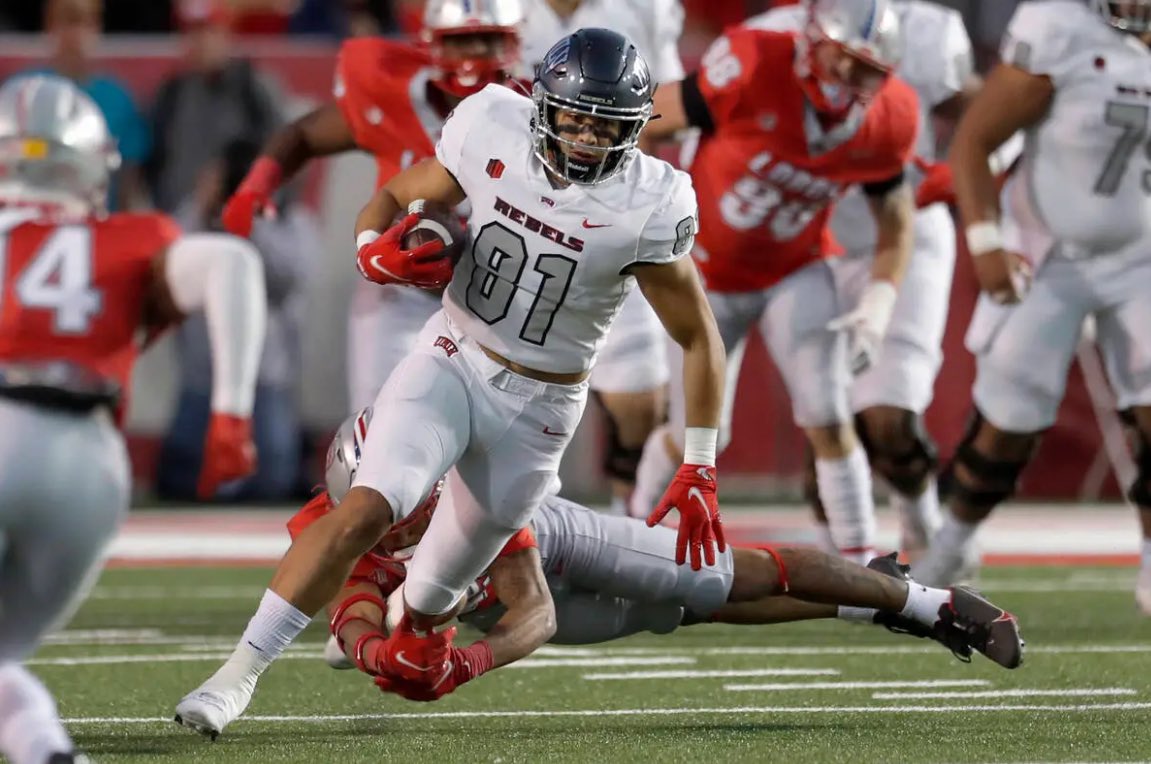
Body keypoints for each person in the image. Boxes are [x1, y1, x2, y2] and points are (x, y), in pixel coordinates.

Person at [175, 28, 727, 736]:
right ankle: (235, 679)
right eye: (575, 116)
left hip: (541, 410)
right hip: (454, 354)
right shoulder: (489, 124)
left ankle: (387, 627)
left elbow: (697, 336)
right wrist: (373, 253)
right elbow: (392, 197)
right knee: (368, 508)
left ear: (634, 127)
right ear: (542, 108)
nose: (588, 135)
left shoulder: (651, 200)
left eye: (606, 123)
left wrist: (701, 464)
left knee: (432, 602)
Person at [177, 406, 1022, 733]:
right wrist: (366, 649)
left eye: (402, 512)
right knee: (691, 612)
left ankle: (929, 598)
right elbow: (350, 606)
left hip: (554, 544)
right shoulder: (344, 526)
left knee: (720, 578)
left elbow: (532, 614)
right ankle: (864, 598)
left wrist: (467, 662)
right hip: (488, 602)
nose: (392, 530)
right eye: (378, 516)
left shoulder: (472, 500)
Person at [0, 75, 266, 764]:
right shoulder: (135, 235)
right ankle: (48, 752)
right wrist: (231, 415)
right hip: (89, 463)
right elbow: (232, 261)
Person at [632, 0, 918, 565]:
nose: (849, 81)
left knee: (828, 411)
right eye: (843, 60)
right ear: (814, 42)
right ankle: (635, 530)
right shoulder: (755, 64)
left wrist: (880, 302)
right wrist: (640, 211)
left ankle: (861, 566)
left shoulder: (892, 115)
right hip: (704, 269)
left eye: (868, 71)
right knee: (700, 429)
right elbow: (646, 119)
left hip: (796, 267)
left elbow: (897, 217)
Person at [914, 0, 1151, 605]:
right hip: (1048, 249)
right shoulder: (1058, 26)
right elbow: (975, 138)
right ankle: (956, 539)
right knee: (1010, 422)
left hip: (1140, 252)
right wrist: (987, 239)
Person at [748, 0, 980, 560]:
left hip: (902, 234)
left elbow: (986, 120)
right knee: (823, 411)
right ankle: (841, 564)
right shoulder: (765, 38)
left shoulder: (930, 32)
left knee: (888, 417)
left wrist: (967, 182)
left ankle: (922, 524)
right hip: (807, 241)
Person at [221, 0, 525, 416]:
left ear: (511, 43)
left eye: (487, 40)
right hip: (398, 291)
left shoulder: (531, 114)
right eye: (462, 41)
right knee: (376, 429)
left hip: (491, 295)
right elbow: (306, 134)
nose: (474, 54)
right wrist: (259, 182)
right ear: (433, 44)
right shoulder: (396, 95)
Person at [518, 0, 688, 515]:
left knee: (639, 401)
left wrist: (594, 126)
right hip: (520, 212)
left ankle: (624, 522)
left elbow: (670, 114)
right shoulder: (492, 10)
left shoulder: (648, 9)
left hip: (612, 218)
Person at [157, 139, 314, 501]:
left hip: (267, 377)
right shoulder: (193, 216)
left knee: (272, 483)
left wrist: (248, 219)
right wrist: (203, 206)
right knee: (184, 481)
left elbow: (287, 279)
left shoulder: (290, 221)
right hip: (202, 374)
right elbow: (166, 258)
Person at [146, 0, 284, 213]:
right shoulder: (171, 93)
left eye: (209, 30)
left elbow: (285, 153)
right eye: (192, 32)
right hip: (185, 219)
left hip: (248, 215)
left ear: (227, 32)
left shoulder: (254, 88)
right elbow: (154, 165)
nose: (201, 42)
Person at [25, 0, 151, 211]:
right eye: (67, 22)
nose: (75, 35)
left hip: (97, 226)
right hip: (31, 222)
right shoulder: (27, 92)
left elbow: (130, 181)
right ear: (50, 27)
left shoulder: (117, 98)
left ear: (97, 29)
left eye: (85, 23)